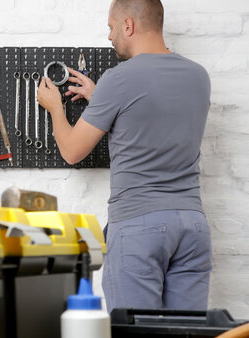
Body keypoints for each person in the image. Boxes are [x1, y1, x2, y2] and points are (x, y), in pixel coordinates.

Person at [37, 0, 212, 312]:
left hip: (139, 227)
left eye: (111, 27)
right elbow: (154, 112)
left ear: (129, 26)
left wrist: (55, 108)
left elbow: (73, 151)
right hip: (192, 227)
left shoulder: (118, 79)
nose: (109, 36)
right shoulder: (199, 76)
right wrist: (100, 97)